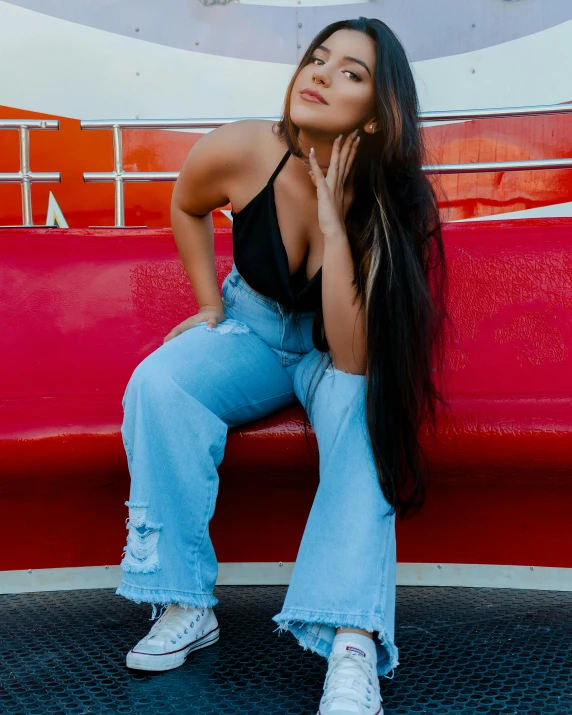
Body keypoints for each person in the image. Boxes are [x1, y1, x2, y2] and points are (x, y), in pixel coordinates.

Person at [117, 16, 450, 715]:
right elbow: (186, 203)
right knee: (158, 380)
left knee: (365, 414)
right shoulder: (244, 147)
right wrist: (211, 303)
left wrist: (336, 219)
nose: (322, 75)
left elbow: (354, 356)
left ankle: (351, 642)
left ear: (379, 113)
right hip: (255, 331)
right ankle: (183, 600)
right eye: (317, 59)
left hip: (336, 352)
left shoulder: (396, 200)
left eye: (351, 73)